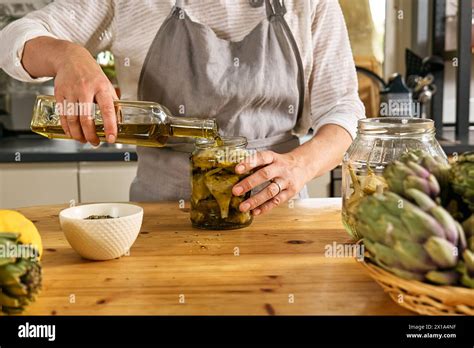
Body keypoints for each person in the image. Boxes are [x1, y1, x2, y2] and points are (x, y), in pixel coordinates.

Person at [0, 0, 365, 216]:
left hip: (278, 218)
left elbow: (345, 109)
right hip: (162, 218)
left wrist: (300, 165)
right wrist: (68, 55)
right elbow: (14, 38)